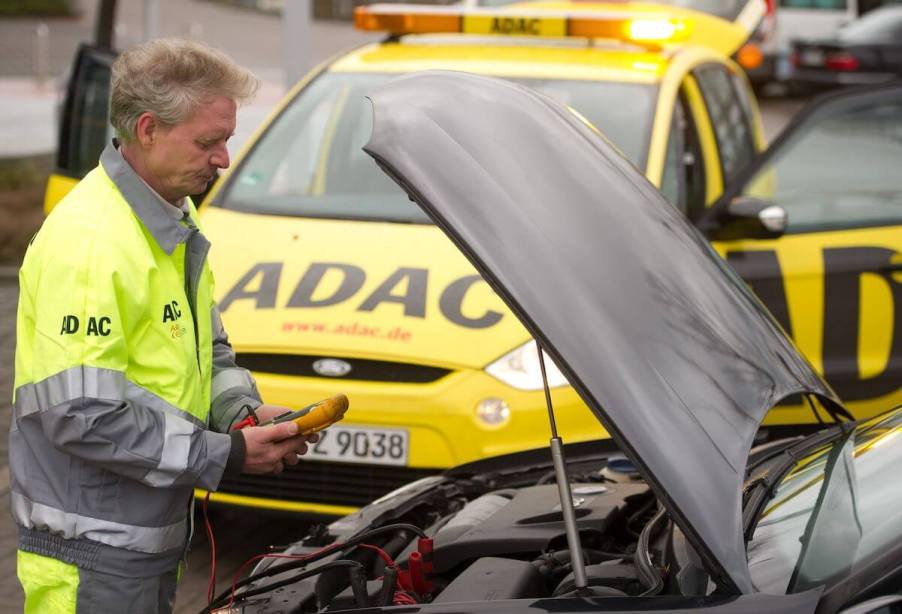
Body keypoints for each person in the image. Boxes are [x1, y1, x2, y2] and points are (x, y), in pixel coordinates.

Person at [11, 38, 315, 613]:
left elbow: (206, 349)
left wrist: (239, 414)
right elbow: (81, 417)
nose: (223, 159)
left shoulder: (170, 210)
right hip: (92, 554)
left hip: (135, 540)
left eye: (226, 139)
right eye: (210, 141)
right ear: (147, 130)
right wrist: (223, 455)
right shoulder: (92, 244)